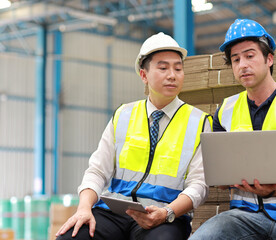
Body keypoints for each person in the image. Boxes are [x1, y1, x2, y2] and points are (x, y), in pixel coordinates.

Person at [56, 32, 212, 240]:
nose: (172, 75)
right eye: (163, 68)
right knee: (71, 237)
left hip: (164, 216)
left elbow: (199, 185)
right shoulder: (123, 115)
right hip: (112, 213)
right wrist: (84, 208)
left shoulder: (199, 122)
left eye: (178, 68)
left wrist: (167, 212)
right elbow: (97, 170)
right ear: (144, 75)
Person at [189, 19, 276, 240]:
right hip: (243, 218)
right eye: (235, 59)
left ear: (269, 58)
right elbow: (220, 179)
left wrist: (275, 190)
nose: (242, 64)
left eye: (249, 55)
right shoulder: (225, 110)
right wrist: (223, 178)